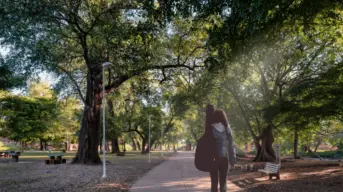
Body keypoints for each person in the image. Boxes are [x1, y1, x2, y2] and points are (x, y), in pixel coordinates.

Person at [210, 109, 236, 192]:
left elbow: (207, 145)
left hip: (213, 159)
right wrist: (232, 161)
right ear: (224, 117)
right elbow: (230, 146)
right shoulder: (227, 128)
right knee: (223, 182)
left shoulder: (210, 128)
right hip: (224, 159)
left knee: (214, 183)